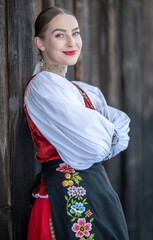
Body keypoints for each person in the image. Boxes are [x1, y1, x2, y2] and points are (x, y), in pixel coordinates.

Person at [24, 7, 130, 240]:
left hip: (97, 190)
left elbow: (121, 127)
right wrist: (105, 133)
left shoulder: (82, 90)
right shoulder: (43, 86)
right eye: (60, 35)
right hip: (66, 194)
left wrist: (106, 134)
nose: (72, 42)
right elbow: (96, 145)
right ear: (40, 43)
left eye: (76, 33)